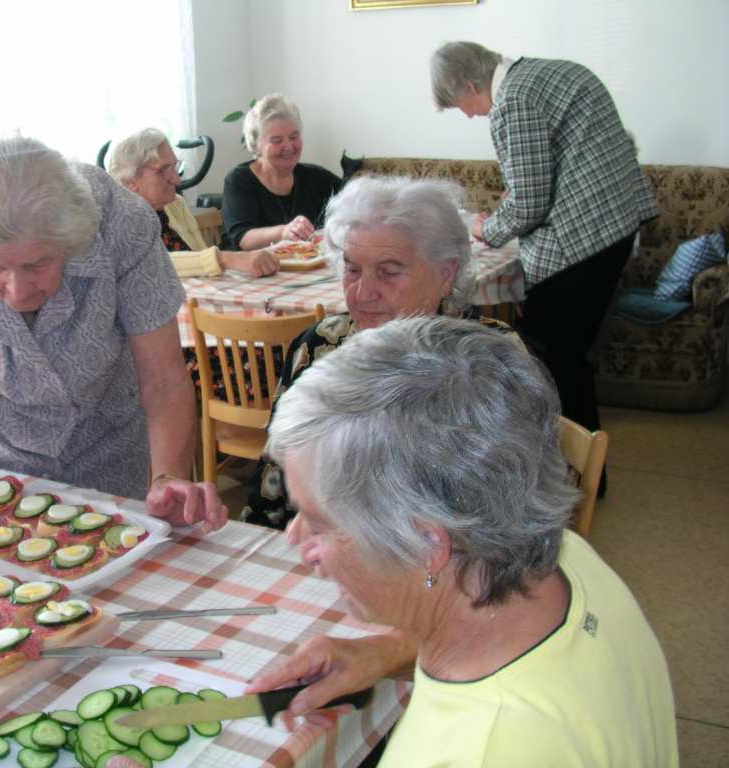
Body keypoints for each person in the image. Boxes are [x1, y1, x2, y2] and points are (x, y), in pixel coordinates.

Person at [249, 314, 678, 767]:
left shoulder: (487, 751)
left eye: (317, 523)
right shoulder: (567, 561)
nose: (295, 540)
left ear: (429, 545)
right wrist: (383, 652)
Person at [0, 136, 227, 533]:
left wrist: (167, 477)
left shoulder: (121, 224)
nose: (16, 291)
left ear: (71, 241)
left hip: (102, 457)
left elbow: (165, 381)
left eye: (38, 265)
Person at [240, 174, 519, 529]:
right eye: (352, 269)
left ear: (446, 274)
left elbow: (501, 522)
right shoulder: (319, 346)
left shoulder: (489, 362)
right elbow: (270, 491)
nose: (363, 292)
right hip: (310, 556)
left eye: (389, 272)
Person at [430, 42, 658, 437]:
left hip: (581, 244)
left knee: (551, 359)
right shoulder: (560, 71)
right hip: (618, 229)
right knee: (569, 356)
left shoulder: (512, 102)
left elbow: (529, 205)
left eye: (457, 103)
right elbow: (560, 171)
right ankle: (580, 470)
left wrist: (487, 228)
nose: (466, 114)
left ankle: (573, 475)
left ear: (470, 83)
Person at [109, 128, 280, 278]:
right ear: (129, 181)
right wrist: (227, 258)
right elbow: (154, 264)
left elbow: (199, 255)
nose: (176, 179)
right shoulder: (118, 220)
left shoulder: (175, 205)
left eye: (175, 167)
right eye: (163, 170)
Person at [222, 94, 341, 250]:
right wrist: (284, 232)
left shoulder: (317, 177)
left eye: (294, 136)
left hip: (306, 270)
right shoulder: (239, 180)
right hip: (252, 271)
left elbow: (355, 201)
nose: (288, 146)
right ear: (256, 145)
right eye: (277, 140)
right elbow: (242, 238)